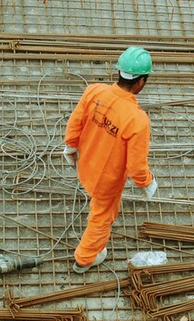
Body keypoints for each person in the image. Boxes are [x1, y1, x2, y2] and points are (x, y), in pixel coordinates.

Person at [63, 46, 158, 274]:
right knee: (101, 218)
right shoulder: (138, 120)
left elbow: (75, 121)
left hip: (85, 164)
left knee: (98, 207)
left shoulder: (94, 91)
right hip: (106, 181)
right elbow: (136, 166)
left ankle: (87, 253)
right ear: (141, 82)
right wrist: (147, 182)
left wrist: (70, 146)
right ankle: (84, 259)